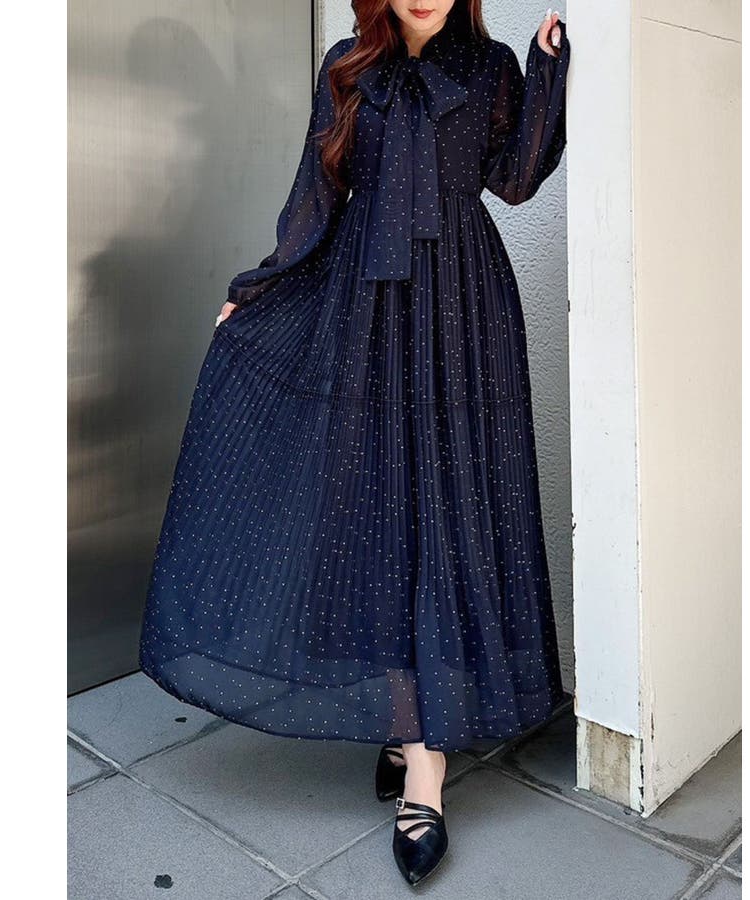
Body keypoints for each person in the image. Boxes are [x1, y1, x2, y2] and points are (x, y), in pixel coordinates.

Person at [138, 0, 570, 886]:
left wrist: (546, 73)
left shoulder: (490, 70)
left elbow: (517, 180)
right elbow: (316, 196)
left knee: (449, 507)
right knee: (374, 508)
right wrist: (262, 287)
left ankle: (425, 763)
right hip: (364, 309)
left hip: (463, 312)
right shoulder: (347, 67)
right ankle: (406, 718)